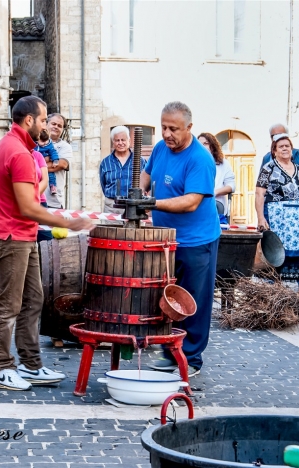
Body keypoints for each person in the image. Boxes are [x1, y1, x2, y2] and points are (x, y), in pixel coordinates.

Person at [0, 96, 93, 391]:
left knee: (33, 299)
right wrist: (68, 223)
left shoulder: (14, 146)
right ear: (29, 120)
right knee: (9, 304)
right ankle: (1, 367)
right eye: (44, 120)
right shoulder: (17, 152)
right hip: (13, 235)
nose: (46, 126)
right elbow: (27, 207)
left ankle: (31, 365)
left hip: (20, 234)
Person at [142, 101, 221, 379]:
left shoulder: (200, 159)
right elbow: (147, 175)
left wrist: (152, 203)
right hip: (166, 240)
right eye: (163, 127)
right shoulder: (162, 148)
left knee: (192, 300)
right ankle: (170, 351)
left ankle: (191, 358)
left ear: (189, 127)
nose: (166, 133)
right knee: (167, 299)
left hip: (196, 241)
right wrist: (138, 193)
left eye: (173, 128)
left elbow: (190, 202)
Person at [256, 133, 299, 300]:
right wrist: (260, 218)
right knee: (277, 249)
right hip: (277, 215)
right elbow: (259, 193)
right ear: (274, 151)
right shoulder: (268, 168)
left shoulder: (298, 168)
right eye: (281, 146)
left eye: (288, 146)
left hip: (296, 216)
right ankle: (275, 287)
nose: (285, 148)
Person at [99, 125, 147, 214]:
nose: (120, 143)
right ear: (113, 142)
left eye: (123, 140)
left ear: (129, 141)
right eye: (117, 140)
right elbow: (103, 184)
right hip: (112, 206)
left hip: (134, 205)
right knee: (110, 228)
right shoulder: (105, 163)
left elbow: (147, 182)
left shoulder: (140, 161)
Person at [260, 123, 299, 195]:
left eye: (281, 135)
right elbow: (261, 185)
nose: (277, 138)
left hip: (298, 202)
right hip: (274, 203)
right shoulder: (267, 158)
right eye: (273, 136)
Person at [198, 132, 236, 224]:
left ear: (212, 146)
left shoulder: (223, 164)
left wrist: (215, 192)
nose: (202, 146)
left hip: (217, 205)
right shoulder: (194, 163)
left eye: (206, 143)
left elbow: (231, 186)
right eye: (199, 144)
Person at [44, 113, 73, 208]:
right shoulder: (34, 142)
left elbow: (62, 164)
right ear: (46, 124)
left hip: (53, 202)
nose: (56, 127)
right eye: (53, 124)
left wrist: (35, 166)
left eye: (59, 126)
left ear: (62, 129)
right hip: (34, 200)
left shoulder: (65, 147)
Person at [36, 130, 59, 194]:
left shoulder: (49, 144)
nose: (45, 143)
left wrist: (55, 160)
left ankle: (53, 186)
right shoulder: (34, 144)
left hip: (45, 164)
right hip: (37, 163)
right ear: (37, 139)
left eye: (46, 141)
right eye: (42, 141)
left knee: (51, 175)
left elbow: (53, 152)